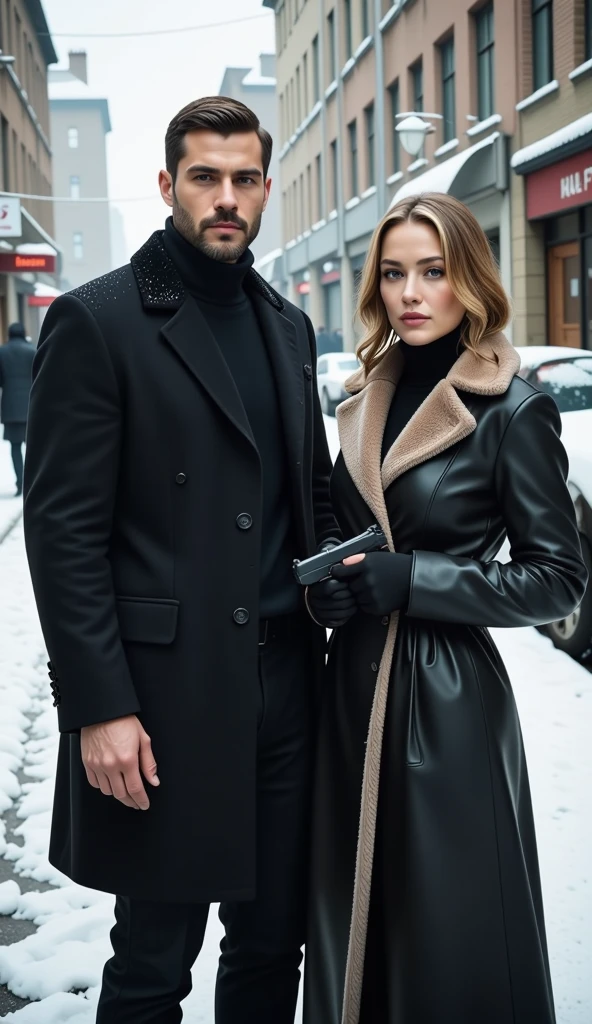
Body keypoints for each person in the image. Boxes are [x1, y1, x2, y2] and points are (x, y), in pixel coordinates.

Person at [23, 95, 339, 1024]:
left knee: (271, 945)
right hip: (163, 700)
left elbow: (305, 488)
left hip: (288, 685)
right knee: (156, 957)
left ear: (268, 189)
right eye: (206, 177)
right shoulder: (99, 321)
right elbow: (63, 533)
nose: (226, 197)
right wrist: (101, 706)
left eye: (245, 179)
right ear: (169, 185)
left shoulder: (285, 325)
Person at [302, 193, 588, 1024]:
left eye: (433, 271)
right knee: (356, 929)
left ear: (469, 279)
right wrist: (335, 588)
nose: (411, 293)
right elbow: (345, 529)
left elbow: (557, 579)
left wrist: (418, 580)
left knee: (447, 935)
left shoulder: (513, 409)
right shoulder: (362, 398)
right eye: (394, 274)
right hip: (350, 695)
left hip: (447, 709)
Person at [0, 322, 35, 496]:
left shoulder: (2, 352)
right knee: (34, 446)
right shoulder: (32, 351)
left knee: (15, 447)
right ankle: (33, 482)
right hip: (31, 406)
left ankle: (20, 482)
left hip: (11, 407)